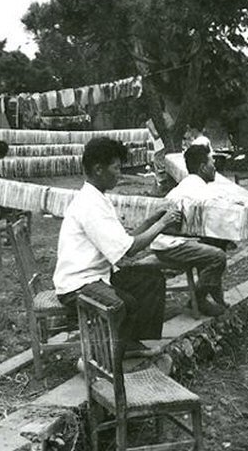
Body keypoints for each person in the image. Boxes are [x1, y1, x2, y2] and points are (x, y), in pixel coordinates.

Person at [53, 137, 180, 358]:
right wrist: (162, 224)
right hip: (78, 284)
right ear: (98, 169)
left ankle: (129, 343)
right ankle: (98, 356)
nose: (119, 174)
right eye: (116, 168)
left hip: (98, 275)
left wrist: (151, 220)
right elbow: (129, 250)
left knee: (151, 280)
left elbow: (124, 240)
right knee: (122, 304)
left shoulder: (98, 199)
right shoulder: (90, 205)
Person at [151, 144, 228, 316]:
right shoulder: (200, 190)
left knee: (216, 243)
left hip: (167, 240)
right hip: (170, 245)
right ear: (202, 167)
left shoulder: (189, 183)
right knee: (217, 256)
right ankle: (198, 299)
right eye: (212, 162)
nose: (215, 166)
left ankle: (215, 296)